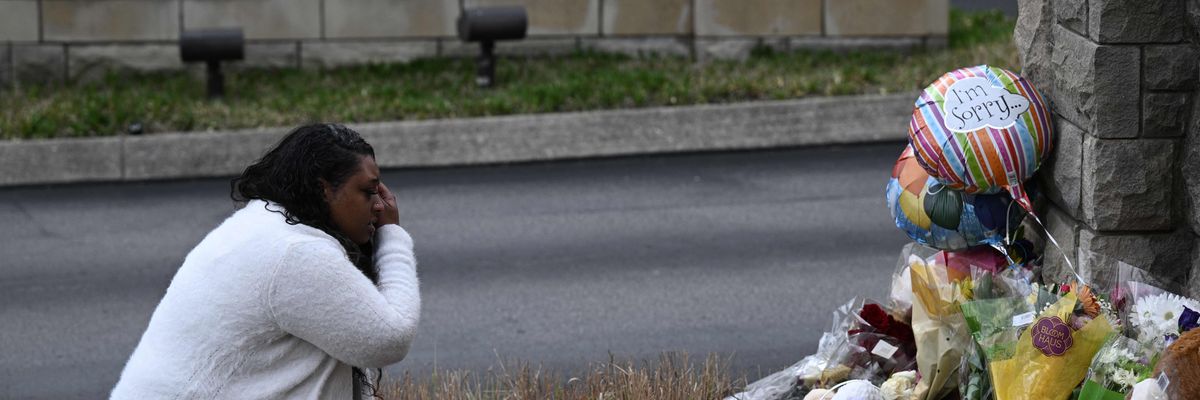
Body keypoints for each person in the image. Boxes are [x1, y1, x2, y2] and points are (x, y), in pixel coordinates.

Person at [111, 123, 420, 399]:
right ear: (324, 188)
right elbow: (389, 339)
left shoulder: (264, 223)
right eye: (368, 192)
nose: (381, 206)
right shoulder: (295, 253)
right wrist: (391, 237)